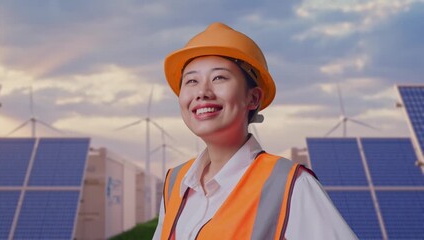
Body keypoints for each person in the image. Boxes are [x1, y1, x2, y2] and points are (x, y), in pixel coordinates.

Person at [152, 22, 358, 240]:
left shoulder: (288, 184)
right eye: (191, 80)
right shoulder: (175, 182)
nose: (202, 92)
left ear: (253, 98)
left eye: (219, 78)